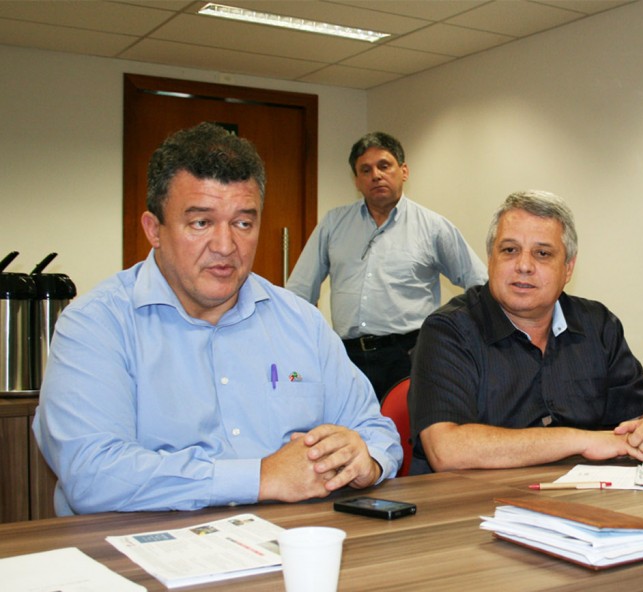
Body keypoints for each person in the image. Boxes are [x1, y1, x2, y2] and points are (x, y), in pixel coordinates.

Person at [33, 122, 403, 515]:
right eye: (201, 223)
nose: (226, 246)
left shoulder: (301, 321)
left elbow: (376, 430)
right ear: (153, 229)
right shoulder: (95, 324)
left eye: (243, 223)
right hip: (137, 554)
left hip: (286, 545)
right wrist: (261, 476)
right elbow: (92, 475)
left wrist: (366, 458)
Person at [409, 190, 643, 473]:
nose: (524, 266)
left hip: (580, 498)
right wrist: (581, 441)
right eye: (509, 250)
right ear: (490, 259)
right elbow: (447, 450)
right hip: (470, 504)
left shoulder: (598, 324)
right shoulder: (449, 330)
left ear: (568, 269)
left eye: (542, 254)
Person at [286, 132, 487, 399]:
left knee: (409, 434)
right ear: (356, 180)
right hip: (347, 356)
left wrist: (457, 335)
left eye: (384, 166)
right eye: (365, 170)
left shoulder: (432, 227)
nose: (376, 175)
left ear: (403, 171)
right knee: (352, 436)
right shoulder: (334, 224)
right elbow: (298, 291)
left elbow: (480, 284)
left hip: (410, 356)